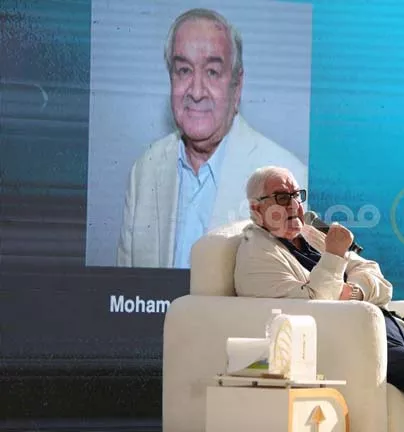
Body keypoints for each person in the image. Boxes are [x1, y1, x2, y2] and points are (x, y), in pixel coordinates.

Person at [234, 166, 404, 432]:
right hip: (350, 344)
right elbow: (314, 307)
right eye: (281, 197)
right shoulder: (257, 255)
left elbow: (377, 278)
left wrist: (354, 292)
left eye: (296, 195)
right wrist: (334, 256)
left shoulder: (310, 234)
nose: (294, 205)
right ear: (256, 209)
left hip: (393, 334)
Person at [117, 8, 306, 269]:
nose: (196, 92)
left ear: (237, 86)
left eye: (212, 72)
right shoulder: (144, 172)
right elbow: (125, 288)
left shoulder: (290, 178)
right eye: (184, 70)